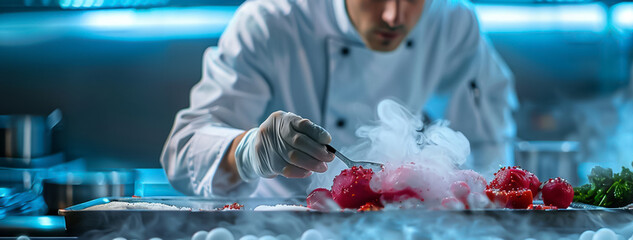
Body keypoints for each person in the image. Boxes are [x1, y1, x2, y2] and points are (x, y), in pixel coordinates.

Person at [161, 0, 517, 197]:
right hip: (280, 228)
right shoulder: (270, 21)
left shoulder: (452, 21)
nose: (393, 16)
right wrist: (248, 150)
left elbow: (488, 143)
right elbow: (182, 151)